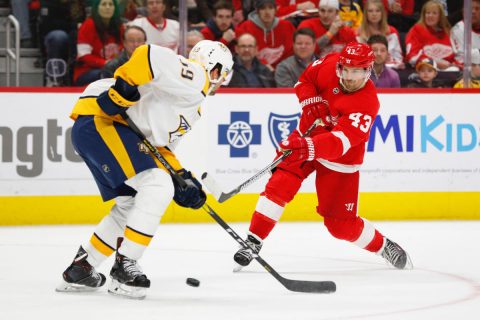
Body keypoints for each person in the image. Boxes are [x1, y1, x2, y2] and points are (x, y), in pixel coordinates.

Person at [56, 40, 233, 299]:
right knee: (157, 184)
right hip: (103, 122)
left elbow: (157, 147)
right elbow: (147, 54)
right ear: (216, 69)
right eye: (223, 74)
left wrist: (183, 178)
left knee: (131, 203)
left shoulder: (191, 106)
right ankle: (125, 265)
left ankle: (82, 267)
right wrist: (122, 89)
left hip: (101, 130)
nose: (221, 81)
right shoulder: (196, 78)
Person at [232, 42, 412, 272]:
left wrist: (306, 146)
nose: (349, 77)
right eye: (345, 70)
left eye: (356, 72)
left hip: (340, 159)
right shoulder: (328, 64)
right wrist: (309, 100)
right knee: (280, 183)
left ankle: (383, 246)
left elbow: (340, 143)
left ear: (368, 71)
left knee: (340, 227)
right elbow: (303, 81)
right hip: (307, 136)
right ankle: (253, 242)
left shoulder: (367, 103)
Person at [74, 0, 124, 86]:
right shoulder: (88, 25)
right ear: (97, 8)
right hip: (87, 71)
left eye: (111, 4)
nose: (107, 7)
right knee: (107, 75)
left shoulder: (120, 26)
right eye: (104, 4)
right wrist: (105, 63)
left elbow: (124, 50)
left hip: (114, 70)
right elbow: (83, 56)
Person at [235, 0, 296, 69]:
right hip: (255, 70)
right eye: (263, 8)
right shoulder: (245, 27)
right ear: (257, 11)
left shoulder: (287, 26)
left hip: (284, 70)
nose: (267, 12)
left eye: (270, 8)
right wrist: (264, 66)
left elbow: (293, 51)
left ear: (275, 10)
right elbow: (244, 53)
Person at [356, 0, 404, 70]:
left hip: (390, 69)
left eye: (377, 11)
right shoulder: (358, 33)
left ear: (382, 13)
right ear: (366, 14)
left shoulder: (392, 32)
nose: (374, 14)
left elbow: (398, 58)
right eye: (370, 11)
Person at [450, 0, 480, 67]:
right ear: (463, 12)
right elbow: (461, 56)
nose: (473, 11)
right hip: (466, 72)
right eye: (469, 8)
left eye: (477, 9)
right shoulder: (457, 30)